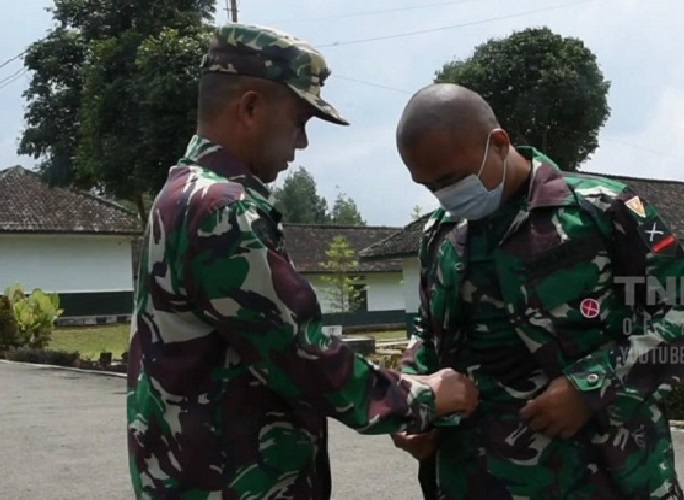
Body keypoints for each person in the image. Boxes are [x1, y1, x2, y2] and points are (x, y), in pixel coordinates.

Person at [126, 25, 478, 499]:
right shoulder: (221, 209)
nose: (302, 144)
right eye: (300, 122)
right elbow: (301, 355)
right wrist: (427, 396)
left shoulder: (183, 193)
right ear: (250, 108)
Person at [390, 82, 684, 499]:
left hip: (601, 478)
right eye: (429, 186)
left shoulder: (601, 210)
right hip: (472, 479)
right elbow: (427, 328)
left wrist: (593, 387)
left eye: (454, 179)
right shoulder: (439, 235)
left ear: (499, 143)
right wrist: (414, 403)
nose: (445, 197)